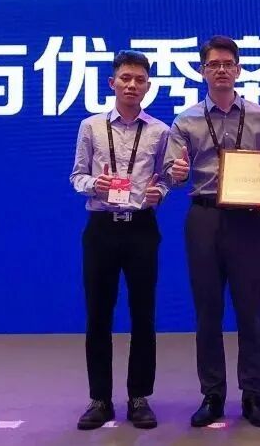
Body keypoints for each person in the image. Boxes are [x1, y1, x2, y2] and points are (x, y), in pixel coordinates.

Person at [163, 35, 260, 428]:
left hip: (248, 220)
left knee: (251, 310)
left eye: (228, 63)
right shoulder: (185, 120)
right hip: (205, 217)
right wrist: (176, 172)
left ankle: (253, 394)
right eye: (214, 64)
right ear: (203, 71)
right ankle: (212, 394)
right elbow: (174, 175)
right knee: (208, 311)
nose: (222, 70)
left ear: (239, 69)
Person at [69, 50, 169, 430]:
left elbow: (165, 178)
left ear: (148, 86)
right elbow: (76, 176)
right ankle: (99, 399)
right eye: (125, 78)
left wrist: (163, 190)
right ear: (112, 83)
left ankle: (139, 397)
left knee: (143, 314)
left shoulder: (160, 131)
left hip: (142, 228)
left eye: (139, 80)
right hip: (101, 228)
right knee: (98, 314)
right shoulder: (91, 126)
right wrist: (95, 184)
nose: (131, 85)